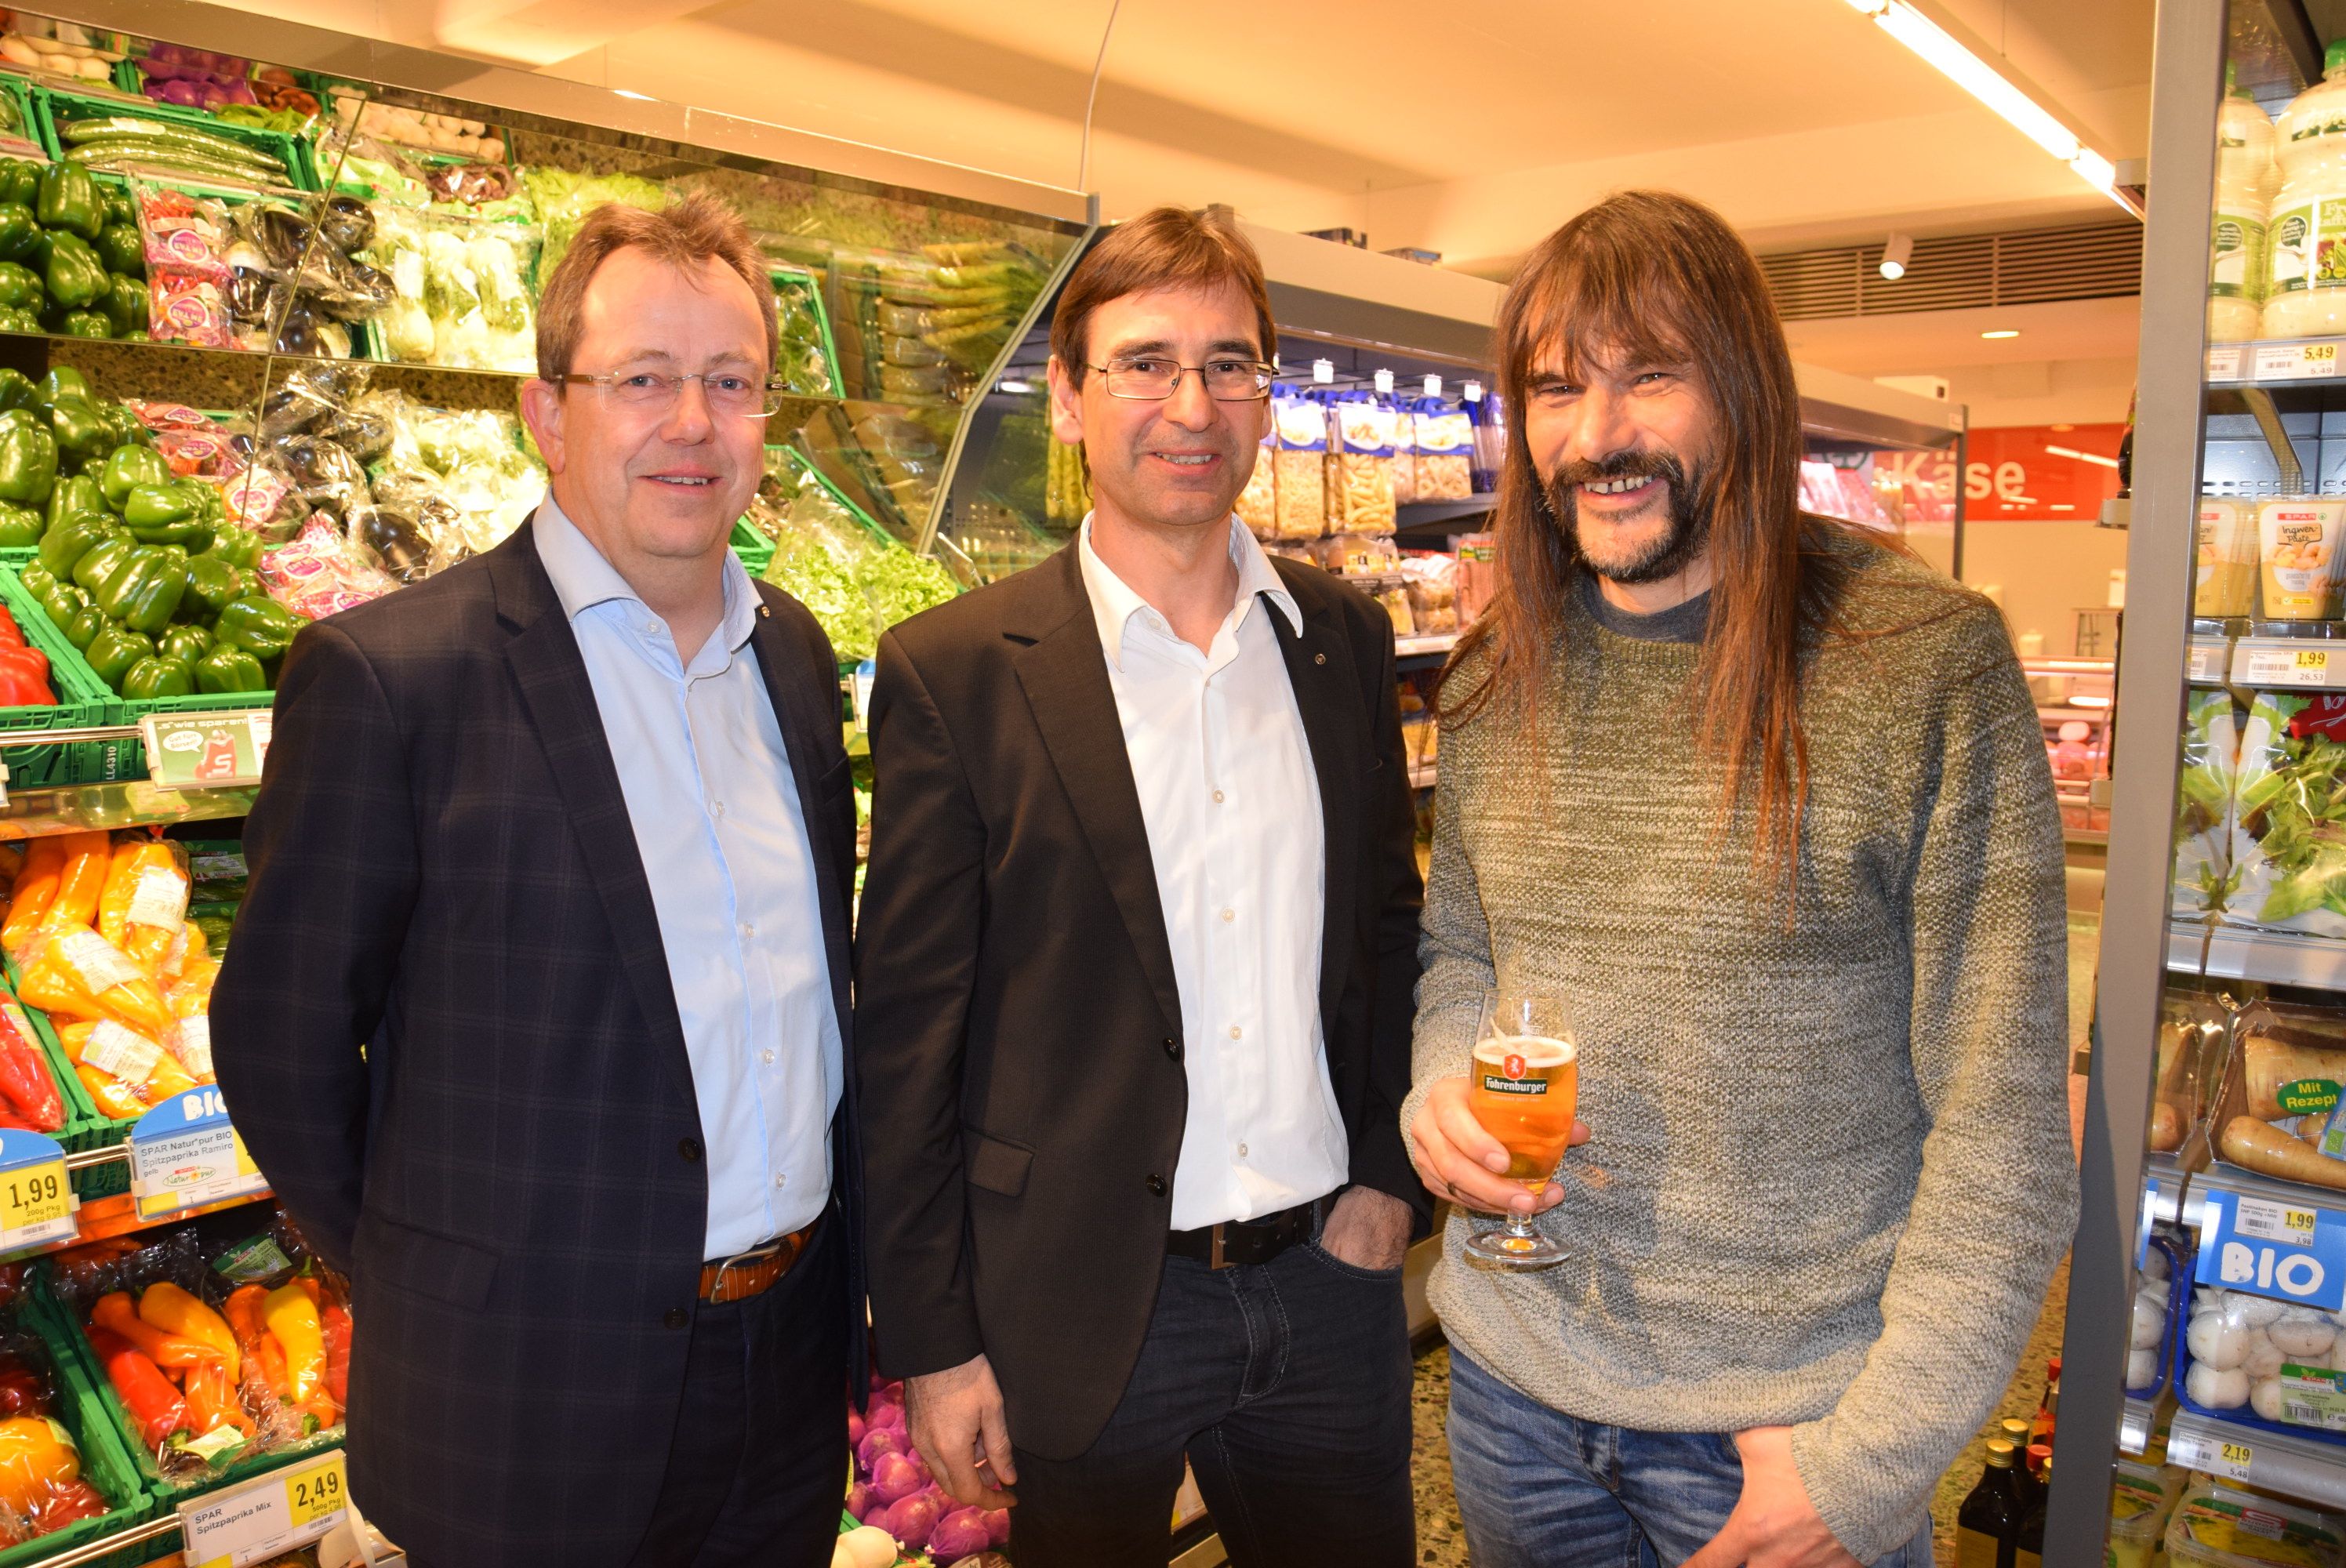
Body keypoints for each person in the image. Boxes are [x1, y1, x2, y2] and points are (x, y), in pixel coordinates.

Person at [1404, 190, 2075, 1568]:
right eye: (1557, 389)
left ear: (1749, 392)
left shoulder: (1921, 666)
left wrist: (1867, 1464)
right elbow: (1463, 951)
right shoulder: (1492, 673)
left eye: (1651, 374)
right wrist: (1436, 1089)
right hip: (1512, 1398)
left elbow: (2004, 1125)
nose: (1598, 436)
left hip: (1787, 1433)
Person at [210, 195, 861, 1568]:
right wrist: (446, 1275)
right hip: (520, 1401)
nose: (692, 423)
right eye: (642, 379)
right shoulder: (394, 678)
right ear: (547, 415)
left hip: (789, 1377)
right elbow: (279, 1044)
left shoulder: (795, 660)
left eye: (730, 382)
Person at [854, 205, 1428, 1568]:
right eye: (1145, 363)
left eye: (1230, 365)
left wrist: (1387, 1181)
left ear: (1266, 397)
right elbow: (908, 1040)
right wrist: (934, 1344)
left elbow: (1390, 928)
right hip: (1078, 1304)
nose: (1192, 405)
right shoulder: (957, 673)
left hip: (1328, 1281)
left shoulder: (1341, 641)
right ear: (1068, 399)